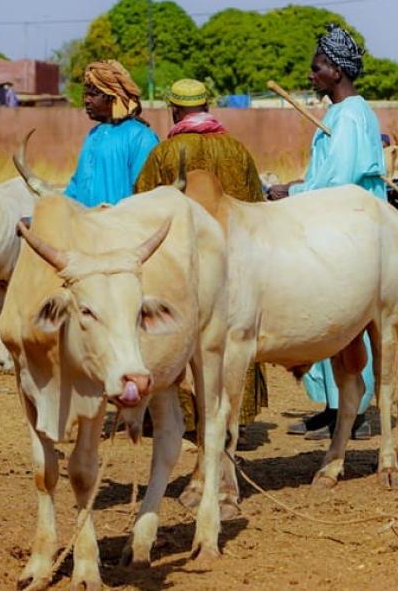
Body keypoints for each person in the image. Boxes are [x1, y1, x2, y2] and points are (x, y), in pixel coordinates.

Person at [267, 25, 383, 440]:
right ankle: (334, 407)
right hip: (328, 224)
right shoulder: (338, 113)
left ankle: (356, 412)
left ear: (336, 70)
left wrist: (292, 191)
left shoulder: (352, 115)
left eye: (317, 68)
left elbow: (341, 178)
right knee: (327, 316)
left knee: (346, 320)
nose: (311, 75)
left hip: (349, 229)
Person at [134, 78, 267, 438]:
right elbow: (257, 207)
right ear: (207, 107)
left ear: (174, 109)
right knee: (233, 336)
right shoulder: (236, 150)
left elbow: (143, 208)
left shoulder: (163, 155)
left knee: (189, 338)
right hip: (235, 263)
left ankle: (190, 420)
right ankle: (233, 417)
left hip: (184, 268)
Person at [64, 61, 159, 207]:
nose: (86, 100)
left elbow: (146, 196)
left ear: (113, 97)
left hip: (119, 227)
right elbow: (75, 189)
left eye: (93, 95)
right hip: (84, 226)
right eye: (86, 94)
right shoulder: (93, 135)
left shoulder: (141, 137)